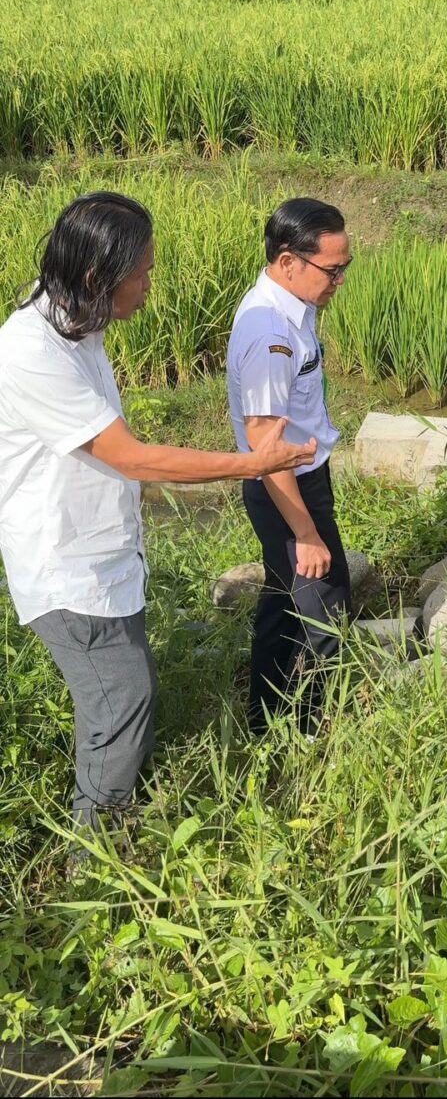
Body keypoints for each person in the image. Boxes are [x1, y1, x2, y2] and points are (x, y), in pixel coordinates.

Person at [0, 192, 315, 837]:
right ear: (95, 279)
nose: (148, 287)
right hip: (67, 567)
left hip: (105, 554)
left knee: (123, 689)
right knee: (123, 702)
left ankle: (107, 813)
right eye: (141, 272)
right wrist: (254, 463)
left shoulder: (69, 313)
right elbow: (132, 459)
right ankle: (95, 849)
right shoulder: (32, 351)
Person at [227, 198, 352, 733]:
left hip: (300, 482)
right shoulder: (271, 333)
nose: (340, 280)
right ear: (287, 263)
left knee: (291, 601)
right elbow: (264, 445)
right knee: (318, 613)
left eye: (346, 266)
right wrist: (305, 531)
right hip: (287, 491)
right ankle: (299, 729)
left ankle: (271, 722)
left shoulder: (291, 311)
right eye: (333, 269)